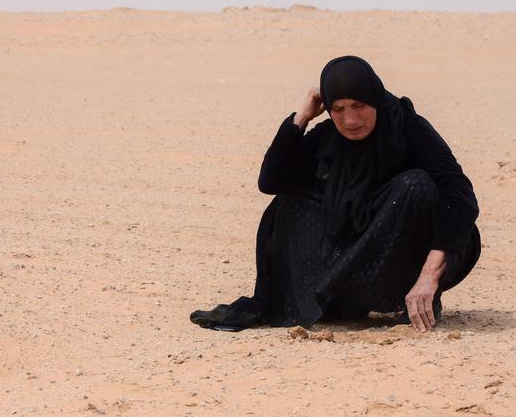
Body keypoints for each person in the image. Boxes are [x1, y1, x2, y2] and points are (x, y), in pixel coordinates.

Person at [191, 56, 480, 333]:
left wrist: (429, 277)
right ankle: (336, 297)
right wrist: (302, 117)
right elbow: (271, 181)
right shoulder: (329, 136)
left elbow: (460, 196)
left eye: (358, 105)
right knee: (290, 198)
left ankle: (421, 299)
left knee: (415, 186)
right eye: (338, 108)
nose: (350, 120)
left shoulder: (409, 128)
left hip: (416, 260)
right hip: (363, 257)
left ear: (375, 98)